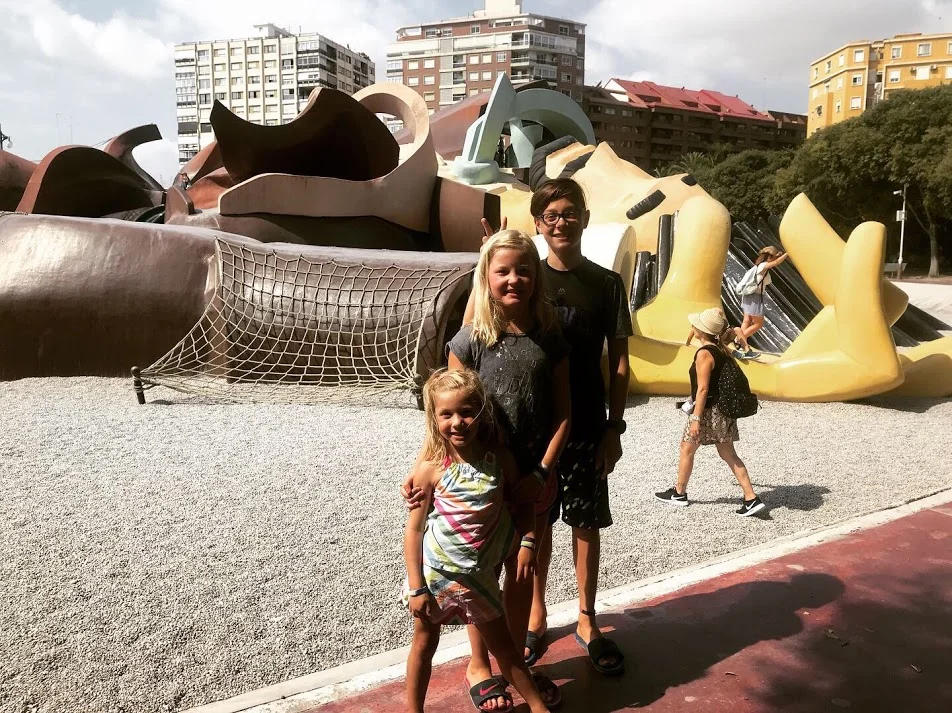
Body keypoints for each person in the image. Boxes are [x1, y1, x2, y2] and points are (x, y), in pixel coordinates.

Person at [404, 229, 570, 711]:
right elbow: (443, 409)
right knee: (477, 570)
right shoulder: (470, 339)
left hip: (529, 475)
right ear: (487, 277)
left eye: (523, 270)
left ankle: (514, 658)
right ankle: (480, 665)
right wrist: (420, 471)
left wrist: (540, 472)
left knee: (521, 569)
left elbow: (564, 413)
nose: (514, 278)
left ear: (536, 277)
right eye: (503, 271)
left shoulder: (549, 338)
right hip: (476, 475)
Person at [523, 178, 632, 677]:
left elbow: (620, 363)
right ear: (538, 225)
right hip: (538, 426)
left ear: (584, 218)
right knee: (538, 522)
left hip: (588, 423)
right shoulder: (528, 281)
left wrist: (615, 427)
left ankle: (587, 615)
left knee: (586, 521)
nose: (560, 222)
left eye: (569, 213)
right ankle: (536, 610)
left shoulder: (607, 284)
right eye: (551, 214)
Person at [403, 368, 551, 713]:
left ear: (481, 412)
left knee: (505, 651)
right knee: (424, 645)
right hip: (437, 576)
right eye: (447, 414)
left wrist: (528, 543)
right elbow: (414, 530)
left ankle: (537, 708)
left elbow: (521, 505)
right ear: (434, 417)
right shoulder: (431, 467)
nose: (458, 422)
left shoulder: (499, 460)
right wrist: (416, 587)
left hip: (481, 580)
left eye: (467, 412)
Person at [654, 308, 766, 517]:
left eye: (696, 325)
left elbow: (703, 389)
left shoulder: (704, 354)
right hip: (722, 411)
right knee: (728, 454)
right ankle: (750, 497)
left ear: (701, 330)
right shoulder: (720, 348)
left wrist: (696, 418)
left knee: (687, 449)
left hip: (707, 412)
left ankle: (679, 493)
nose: (692, 326)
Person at [732, 246, 790, 360]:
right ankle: (738, 339)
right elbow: (777, 262)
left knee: (747, 320)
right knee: (758, 324)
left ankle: (742, 345)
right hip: (754, 297)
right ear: (769, 257)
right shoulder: (763, 266)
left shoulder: (758, 267)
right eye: (773, 257)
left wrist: (779, 255)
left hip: (748, 296)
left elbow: (775, 260)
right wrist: (788, 253)